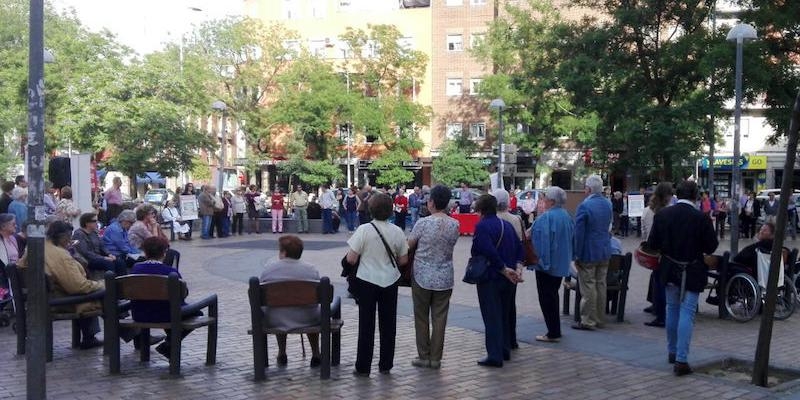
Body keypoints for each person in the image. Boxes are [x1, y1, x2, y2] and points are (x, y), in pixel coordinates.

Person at [647, 180, 718, 376]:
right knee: (687, 312)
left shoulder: (662, 215)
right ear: (695, 196)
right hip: (693, 269)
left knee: (672, 309)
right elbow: (711, 246)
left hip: (669, 268)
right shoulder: (701, 218)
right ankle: (681, 358)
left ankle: (672, 351)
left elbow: (652, 243)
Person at [345, 193, 408, 377]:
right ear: (390, 211)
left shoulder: (364, 229)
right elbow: (403, 260)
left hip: (366, 281)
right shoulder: (397, 231)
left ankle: (363, 366)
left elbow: (351, 258)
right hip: (390, 281)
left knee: (366, 325)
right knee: (388, 324)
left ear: (371, 209)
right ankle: (386, 364)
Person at [19, 221, 105, 349]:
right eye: (69, 238)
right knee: (106, 294)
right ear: (65, 237)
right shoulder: (59, 254)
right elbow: (77, 286)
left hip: (39, 297)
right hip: (57, 299)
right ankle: (131, 334)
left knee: (96, 292)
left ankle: (90, 336)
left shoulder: (33, 247)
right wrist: (102, 284)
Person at [407, 185, 459, 369]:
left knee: (421, 317)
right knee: (440, 318)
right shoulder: (455, 224)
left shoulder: (422, 223)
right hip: (445, 276)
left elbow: (409, 245)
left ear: (432, 202)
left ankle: (424, 355)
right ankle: (436, 358)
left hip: (422, 275)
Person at [471, 194, 523, 368]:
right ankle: (504, 348)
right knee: (504, 314)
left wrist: (502, 267)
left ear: (481, 209)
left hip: (491, 277)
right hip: (509, 278)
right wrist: (516, 268)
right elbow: (519, 248)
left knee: (491, 316)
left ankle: (494, 355)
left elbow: (484, 250)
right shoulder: (506, 225)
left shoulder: (482, 227)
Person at [259, 235, 322, 368]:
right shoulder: (311, 269)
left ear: (284, 252)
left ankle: (282, 352)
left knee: (278, 308)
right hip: (307, 318)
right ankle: (316, 353)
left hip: (276, 319)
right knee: (310, 308)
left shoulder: (269, 269)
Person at [131, 236, 198, 360]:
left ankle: (170, 343)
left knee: (177, 310)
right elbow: (183, 294)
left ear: (145, 252)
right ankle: (169, 344)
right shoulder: (169, 272)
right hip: (167, 315)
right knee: (196, 312)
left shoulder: (136, 269)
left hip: (139, 313)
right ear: (164, 253)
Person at [529, 187, 573, 343]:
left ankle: (553, 332)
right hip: (561, 264)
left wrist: (538, 262)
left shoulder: (546, 218)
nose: (543, 201)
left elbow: (539, 243)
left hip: (546, 266)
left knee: (546, 298)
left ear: (552, 201)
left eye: (545, 198)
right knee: (553, 295)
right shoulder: (566, 215)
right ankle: (555, 329)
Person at [572, 174, 613, 331]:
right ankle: (600, 318)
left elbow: (579, 233)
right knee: (601, 284)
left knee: (588, 285)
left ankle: (588, 319)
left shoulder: (584, 206)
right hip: (604, 249)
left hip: (589, 251)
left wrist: (577, 253)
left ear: (588, 189)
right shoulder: (608, 204)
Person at [492, 189, 525, 349]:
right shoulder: (516, 219)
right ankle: (511, 338)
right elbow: (521, 244)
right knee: (510, 304)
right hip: (513, 266)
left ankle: (501, 340)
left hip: (497, 268)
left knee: (497, 305)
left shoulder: (493, 220)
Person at [641, 182, 673, 328]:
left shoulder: (648, 210)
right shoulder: (668, 211)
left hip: (652, 249)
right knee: (662, 283)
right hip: (664, 251)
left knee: (657, 279)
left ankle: (658, 310)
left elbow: (645, 231)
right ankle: (661, 313)